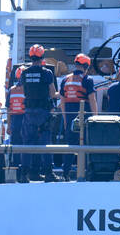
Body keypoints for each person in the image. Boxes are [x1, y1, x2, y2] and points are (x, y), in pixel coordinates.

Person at [19, 45, 58, 182]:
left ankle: (24, 174)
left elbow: (24, 91)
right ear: (42, 57)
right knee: (45, 143)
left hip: (29, 112)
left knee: (27, 143)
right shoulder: (47, 73)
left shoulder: (24, 73)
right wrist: (62, 95)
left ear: (31, 57)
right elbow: (53, 93)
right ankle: (48, 173)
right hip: (43, 112)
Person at [59, 54, 95, 178]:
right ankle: (85, 172)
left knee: (70, 145)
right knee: (85, 143)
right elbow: (92, 100)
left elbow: (62, 102)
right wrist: (95, 117)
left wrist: (64, 119)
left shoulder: (65, 79)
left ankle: (66, 173)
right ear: (86, 66)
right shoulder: (87, 79)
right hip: (83, 114)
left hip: (69, 115)